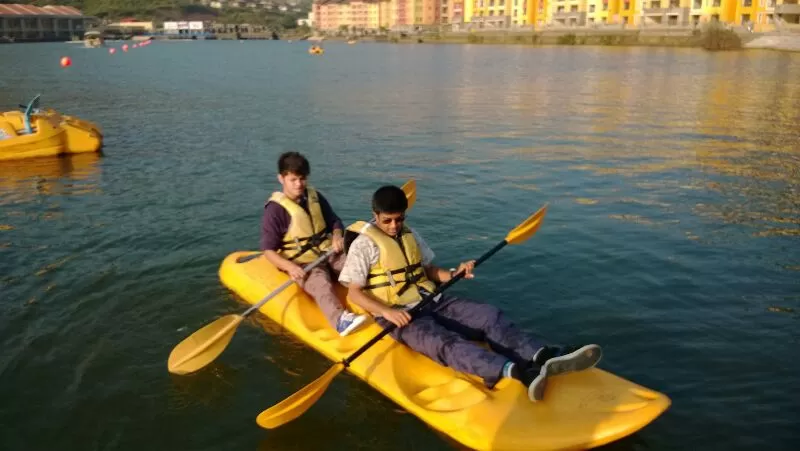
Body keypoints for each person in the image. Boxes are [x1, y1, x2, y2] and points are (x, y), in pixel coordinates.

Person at [338, 185, 603, 402]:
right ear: (375, 214)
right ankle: (516, 372)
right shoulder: (364, 245)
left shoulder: (410, 234)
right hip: (399, 314)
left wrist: (453, 274)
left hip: (433, 299)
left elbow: (429, 270)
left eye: (399, 219)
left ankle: (542, 355)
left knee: (488, 315)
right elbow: (354, 293)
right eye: (388, 221)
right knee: (446, 342)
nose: (395, 226)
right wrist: (388, 312)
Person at [261, 151, 367, 336]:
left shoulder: (314, 196)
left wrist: (336, 236)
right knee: (321, 284)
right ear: (281, 178)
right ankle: (340, 321)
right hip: (304, 264)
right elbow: (268, 250)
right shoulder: (275, 210)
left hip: (328, 252)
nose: (299, 184)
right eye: (293, 179)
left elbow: (334, 221)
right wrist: (290, 267)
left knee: (358, 268)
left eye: (302, 179)